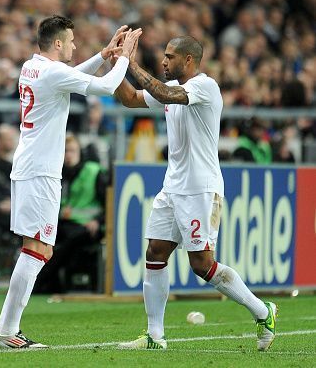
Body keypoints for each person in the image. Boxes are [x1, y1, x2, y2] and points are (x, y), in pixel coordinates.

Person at [113, 35, 277, 351]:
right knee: (155, 253)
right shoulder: (172, 90)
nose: (163, 62)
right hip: (173, 187)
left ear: (189, 60)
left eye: (169, 56)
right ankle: (154, 336)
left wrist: (131, 62)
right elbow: (132, 98)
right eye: (163, 56)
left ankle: (263, 310)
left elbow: (164, 92)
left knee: (202, 265)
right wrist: (113, 64)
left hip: (202, 189)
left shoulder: (205, 87)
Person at [0, 15, 140, 348]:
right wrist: (125, 58)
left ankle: (4, 325)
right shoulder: (51, 72)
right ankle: (9, 331)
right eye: (71, 41)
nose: (74, 46)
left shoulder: (33, 66)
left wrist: (103, 56)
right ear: (58, 43)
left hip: (31, 166)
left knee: (35, 247)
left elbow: (70, 77)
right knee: (39, 248)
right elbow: (103, 87)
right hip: (40, 171)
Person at [35, 134, 107, 293]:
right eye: (65, 151)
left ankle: (39, 282)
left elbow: (109, 204)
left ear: (79, 152)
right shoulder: (57, 173)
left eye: (72, 151)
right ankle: (52, 284)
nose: (68, 155)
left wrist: (98, 221)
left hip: (89, 226)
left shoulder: (94, 172)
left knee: (67, 242)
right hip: (65, 223)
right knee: (40, 236)